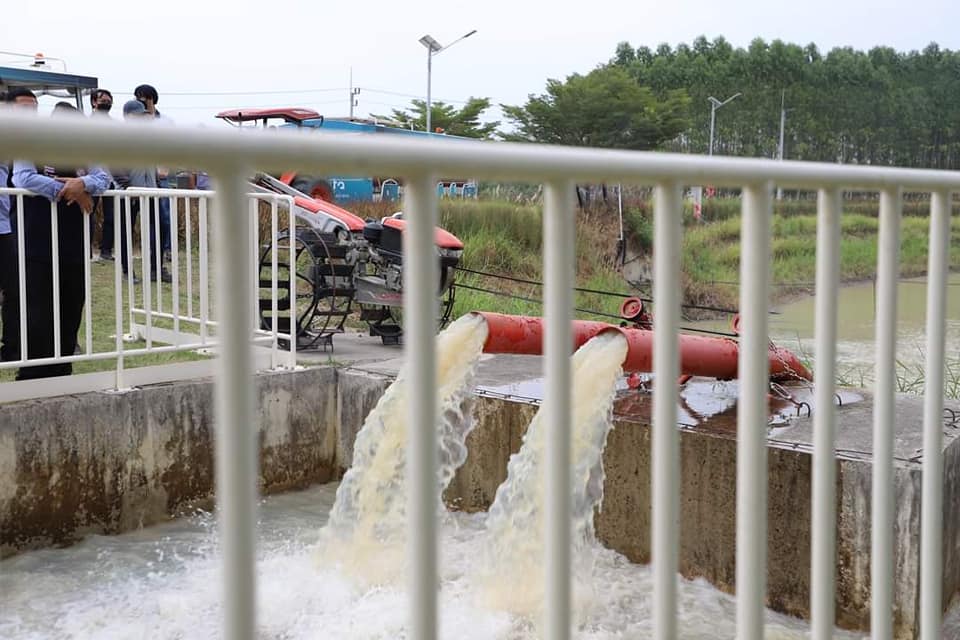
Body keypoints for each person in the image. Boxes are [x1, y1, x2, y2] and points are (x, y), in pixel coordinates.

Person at [10, 90, 112, 379]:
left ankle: (62, 370)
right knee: (39, 311)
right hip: (38, 242)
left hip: (75, 243)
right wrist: (71, 191)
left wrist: (82, 184)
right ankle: (32, 375)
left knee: (71, 308)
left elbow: (104, 179)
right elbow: (23, 177)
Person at [115, 99, 170, 283]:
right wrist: (127, 187)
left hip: (150, 191)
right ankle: (126, 271)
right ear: (128, 116)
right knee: (126, 232)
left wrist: (157, 184)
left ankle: (156, 268)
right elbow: (114, 166)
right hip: (128, 194)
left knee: (160, 227)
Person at [134, 84, 172, 263]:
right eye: (138, 98)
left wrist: (165, 167)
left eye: (143, 97)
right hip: (140, 175)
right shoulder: (135, 122)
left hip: (160, 176)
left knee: (163, 217)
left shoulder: (164, 122)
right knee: (147, 218)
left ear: (151, 99)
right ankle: (151, 253)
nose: (141, 101)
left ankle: (164, 250)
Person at [89, 88, 117, 261]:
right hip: (91, 176)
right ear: (94, 102)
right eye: (103, 101)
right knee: (88, 214)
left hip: (111, 176)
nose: (106, 103)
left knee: (111, 216)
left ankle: (106, 250)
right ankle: (87, 250)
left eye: (108, 101)